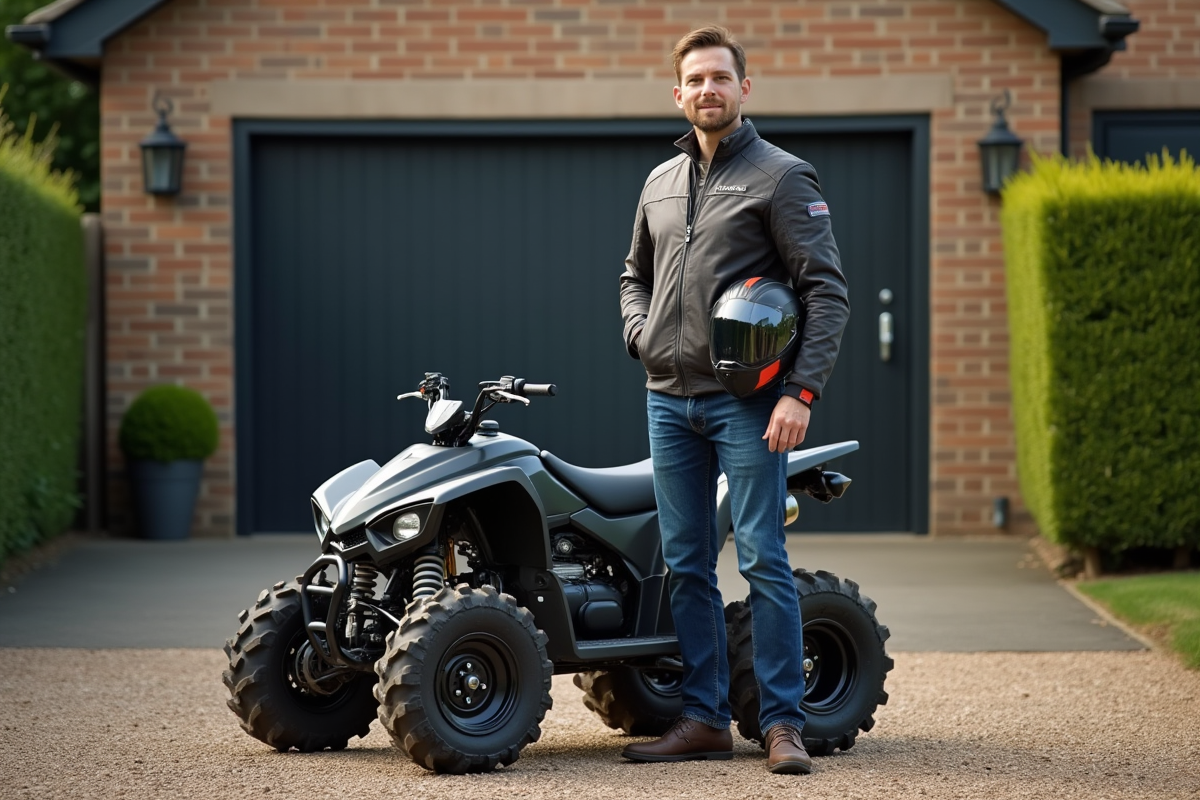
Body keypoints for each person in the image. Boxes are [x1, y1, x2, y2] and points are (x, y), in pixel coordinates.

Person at [617, 26, 850, 774]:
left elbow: (827, 293)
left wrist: (800, 392)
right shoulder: (658, 182)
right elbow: (633, 278)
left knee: (761, 558)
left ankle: (783, 723)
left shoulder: (783, 177)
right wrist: (640, 335)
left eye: (721, 77)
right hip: (668, 400)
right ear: (677, 93)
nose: (708, 89)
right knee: (684, 563)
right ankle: (704, 718)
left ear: (744, 89)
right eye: (696, 80)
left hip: (748, 406)